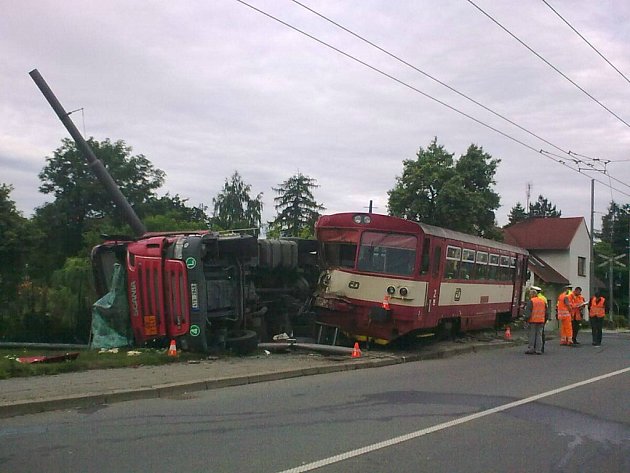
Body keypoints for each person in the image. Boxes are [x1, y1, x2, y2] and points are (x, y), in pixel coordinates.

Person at [523, 287, 546, 354]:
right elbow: (546, 312)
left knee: (532, 335)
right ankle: (538, 350)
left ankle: (531, 348)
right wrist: (544, 320)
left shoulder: (531, 301)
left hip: (533, 321)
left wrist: (525, 320)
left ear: (532, 295)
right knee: (539, 335)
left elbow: (528, 313)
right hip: (541, 320)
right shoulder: (542, 301)